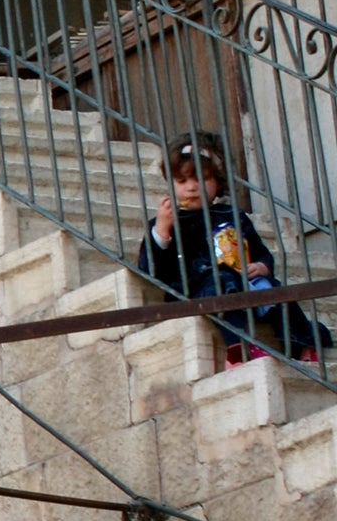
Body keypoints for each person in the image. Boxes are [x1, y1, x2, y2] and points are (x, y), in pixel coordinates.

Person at [140, 131, 334, 358]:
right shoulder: (166, 220)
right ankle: (239, 348)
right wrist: (162, 230)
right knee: (221, 281)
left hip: (242, 281)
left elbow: (259, 251)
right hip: (195, 291)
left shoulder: (231, 215)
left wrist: (262, 266)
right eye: (182, 181)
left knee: (273, 289)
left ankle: (301, 344)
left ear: (218, 183)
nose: (191, 187)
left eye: (201, 179)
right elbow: (149, 269)